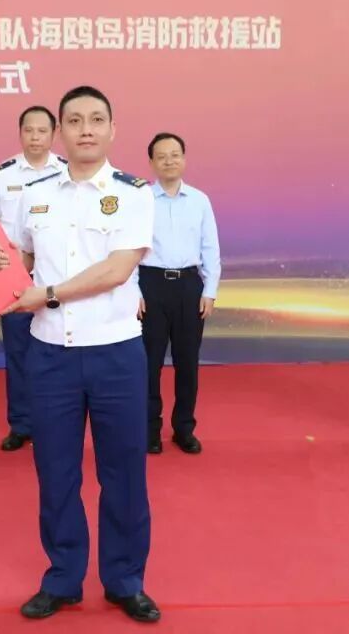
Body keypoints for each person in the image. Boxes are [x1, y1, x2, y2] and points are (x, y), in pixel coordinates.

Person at [0, 85, 160, 623]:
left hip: (115, 352)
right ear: (59, 131)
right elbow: (14, 257)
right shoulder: (33, 193)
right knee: (56, 473)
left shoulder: (133, 194)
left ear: (112, 129)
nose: (85, 130)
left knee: (123, 473)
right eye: (74, 120)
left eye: (96, 119)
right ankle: (62, 577)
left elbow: (116, 270)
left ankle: (125, 581)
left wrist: (48, 294)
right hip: (50, 353)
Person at [0, 105, 68, 451]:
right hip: (13, 279)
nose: (35, 137)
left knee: (56, 352)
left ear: (53, 134)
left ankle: (55, 423)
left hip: (55, 277)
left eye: (42, 131)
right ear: (20, 133)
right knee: (18, 354)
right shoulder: (3, 175)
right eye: (28, 130)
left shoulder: (67, 172)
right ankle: (21, 423)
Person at [138, 132, 221, 455]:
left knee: (188, 362)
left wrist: (210, 290)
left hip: (189, 286)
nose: (169, 161)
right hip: (150, 285)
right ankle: (149, 429)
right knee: (149, 363)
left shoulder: (200, 200)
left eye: (175, 155)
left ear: (184, 159)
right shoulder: (141, 199)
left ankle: (184, 428)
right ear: (151, 162)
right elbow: (130, 249)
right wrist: (133, 290)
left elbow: (210, 247)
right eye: (161, 156)